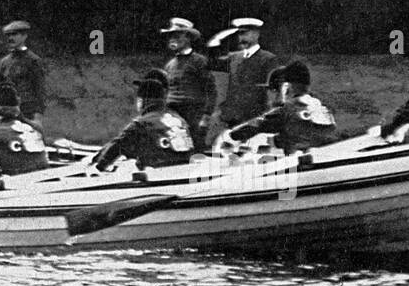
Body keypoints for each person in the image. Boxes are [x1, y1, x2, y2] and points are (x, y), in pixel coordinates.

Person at [225, 60, 338, 154]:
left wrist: (228, 136)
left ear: (286, 87)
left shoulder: (286, 111)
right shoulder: (323, 109)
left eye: (275, 89)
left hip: (300, 171)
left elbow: (253, 127)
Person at [92, 76, 193, 171]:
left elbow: (117, 146)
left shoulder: (140, 124)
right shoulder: (179, 119)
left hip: (159, 173)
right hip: (185, 169)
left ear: (142, 101)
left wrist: (99, 167)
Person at [207, 17, 279, 147]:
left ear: (257, 34)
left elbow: (272, 88)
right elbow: (212, 62)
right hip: (233, 116)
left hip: (253, 116)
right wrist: (219, 38)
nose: (241, 37)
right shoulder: (234, 57)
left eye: (245, 33)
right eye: (239, 33)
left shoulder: (268, 58)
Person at [160, 17, 216, 150]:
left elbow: (211, 90)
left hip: (193, 113)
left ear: (188, 38)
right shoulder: (170, 65)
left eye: (177, 35)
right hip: (173, 114)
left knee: (196, 149)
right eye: (171, 36)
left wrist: (206, 117)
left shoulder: (199, 61)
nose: (173, 39)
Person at [0, 20, 46, 131]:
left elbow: (40, 89)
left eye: (14, 34)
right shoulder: (5, 62)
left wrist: (38, 117)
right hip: (8, 112)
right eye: (8, 35)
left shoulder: (33, 60)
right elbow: (1, 89)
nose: (11, 38)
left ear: (24, 36)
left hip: (28, 112)